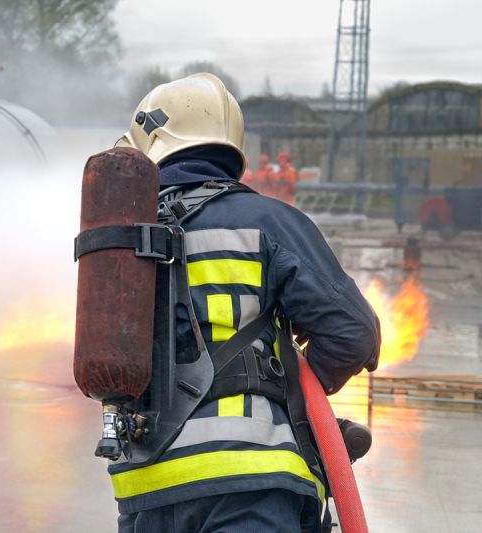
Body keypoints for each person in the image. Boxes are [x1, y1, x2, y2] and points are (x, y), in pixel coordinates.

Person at [112, 72, 380, 532]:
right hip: (251, 483)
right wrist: (296, 390)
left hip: (145, 490)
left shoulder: (118, 238)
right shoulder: (266, 220)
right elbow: (352, 332)